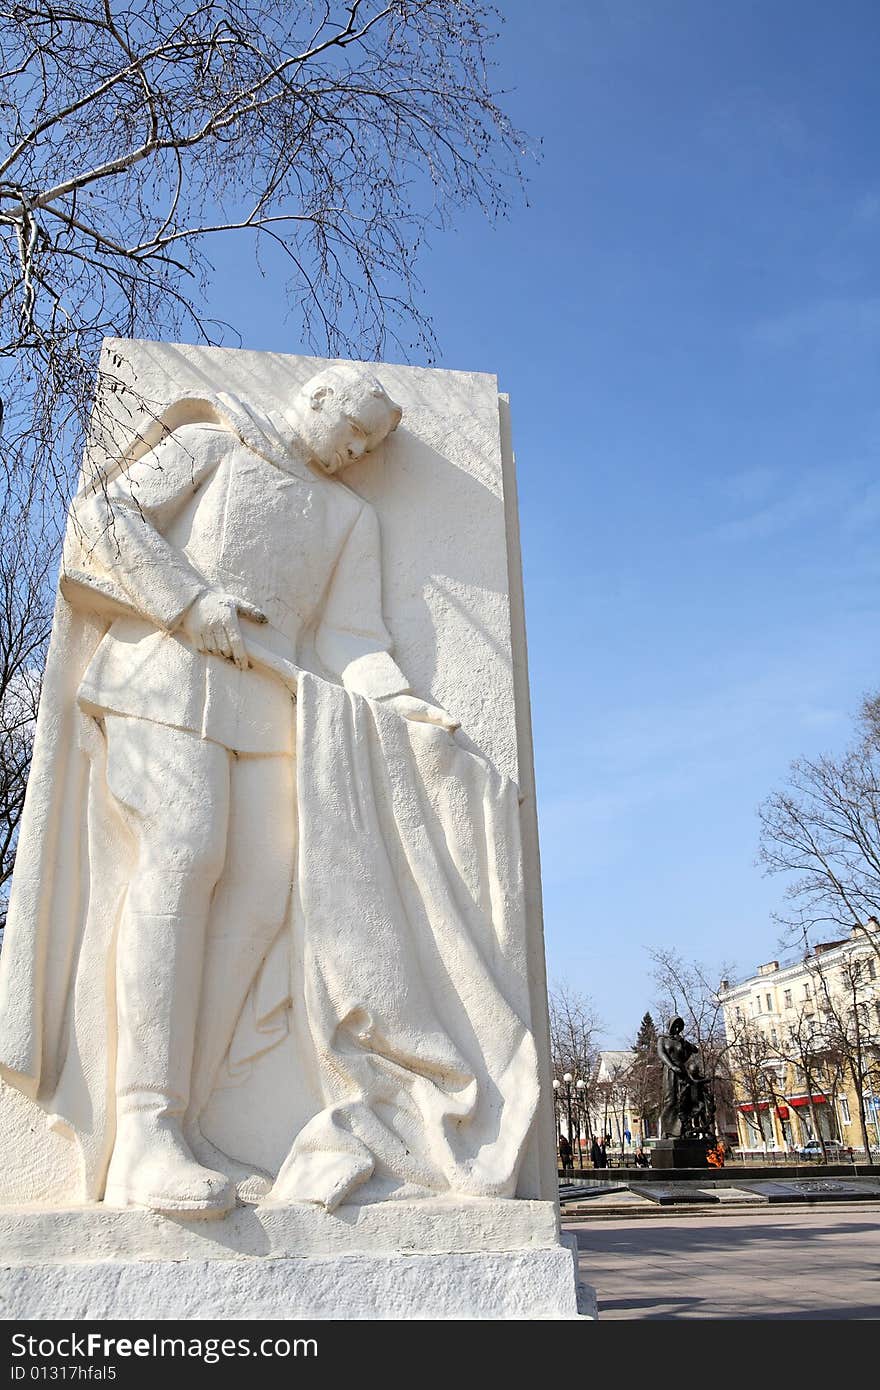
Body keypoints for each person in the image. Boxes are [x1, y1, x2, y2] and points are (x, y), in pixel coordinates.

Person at [0, 362, 539, 1216]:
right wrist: (186, 600)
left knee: (258, 899)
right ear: (316, 398)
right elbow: (106, 514)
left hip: (271, 711)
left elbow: (356, 637)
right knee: (183, 854)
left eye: (370, 446)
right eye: (352, 430)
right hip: (163, 679)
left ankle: (191, 1120)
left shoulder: (350, 516)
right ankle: (143, 1128)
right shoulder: (211, 443)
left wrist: (402, 707)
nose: (356, 452)